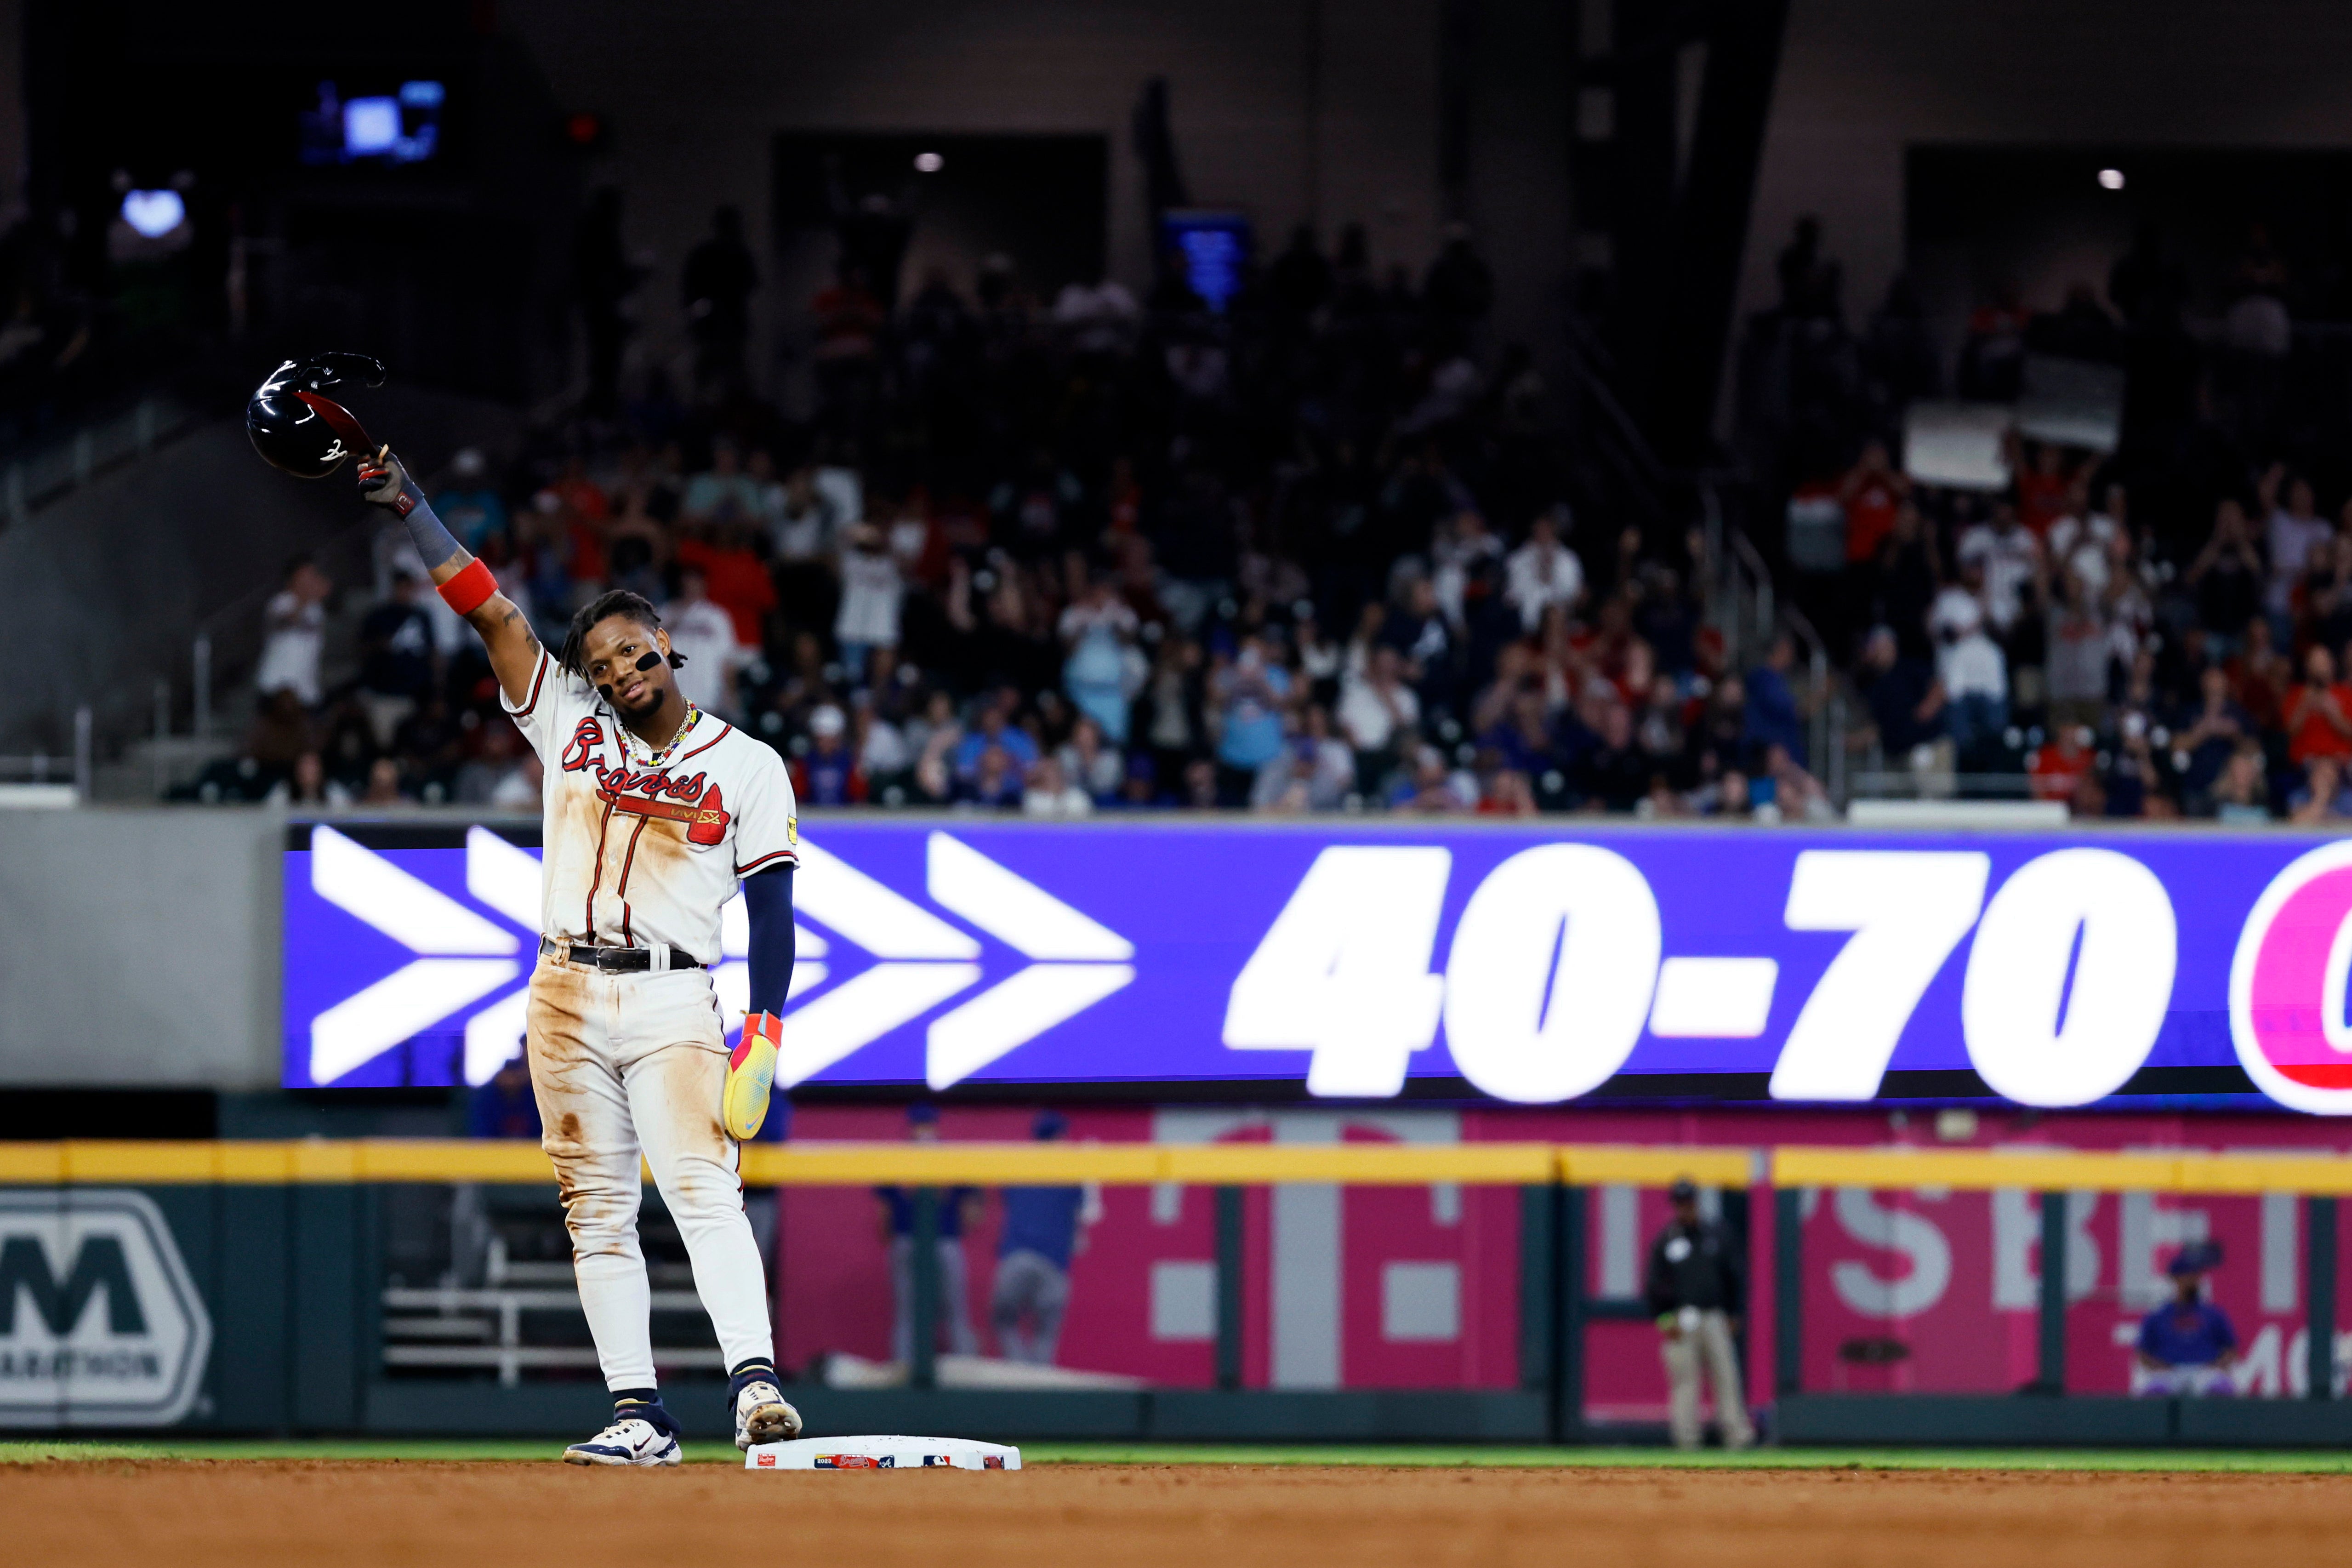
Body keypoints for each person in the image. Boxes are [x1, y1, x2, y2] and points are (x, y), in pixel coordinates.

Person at [354, 435, 803, 1465]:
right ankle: (639, 1413)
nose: (620, 672)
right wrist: (415, 508)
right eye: (601, 663)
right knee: (594, 1208)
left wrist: (766, 1029)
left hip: (672, 995)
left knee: (701, 1188)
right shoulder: (568, 719)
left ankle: (756, 1389)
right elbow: (492, 613)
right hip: (562, 988)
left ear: (668, 649)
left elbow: (772, 907)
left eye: (635, 653)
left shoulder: (746, 765)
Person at [1644, 1177, 1754, 1451]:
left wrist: (1734, 1313)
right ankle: (1687, 1440)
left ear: (1697, 1202)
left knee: (1726, 1376)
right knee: (1684, 1382)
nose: (1685, 1208)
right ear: (1674, 1205)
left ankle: (1736, 1436)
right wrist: (1665, 1320)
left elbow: (1734, 1277)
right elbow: (1653, 1286)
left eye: (1689, 1202)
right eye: (1680, 1203)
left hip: (1714, 1316)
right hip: (1681, 1319)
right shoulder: (1666, 1241)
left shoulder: (1716, 1235)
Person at [989, 1110, 1099, 1366]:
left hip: (1017, 1256)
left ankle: (1020, 1369)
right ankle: (1038, 1377)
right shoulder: (1071, 1173)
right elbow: (1082, 1213)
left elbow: (1006, 1197)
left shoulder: (1018, 1167)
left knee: (1004, 1320)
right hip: (1053, 1261)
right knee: (1047, 1329)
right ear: (1060, 1136)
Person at [875, 1104, 981, 1366]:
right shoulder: (951, 1158)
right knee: (953, 1314)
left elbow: (884, 1217)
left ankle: (905, 1370)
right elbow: (971, 1213)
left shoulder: (897, 1158)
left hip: (909, 1241)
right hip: (940, 1241)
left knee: (910, 1316)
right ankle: (965, 1372)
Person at [2136, 1243, 2238, 1397]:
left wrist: (2217, 1366)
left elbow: (2231, 1349)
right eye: (2189, 1275)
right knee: (2155, 1390)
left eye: (2197, 1276)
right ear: (2176, 1279)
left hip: (2205, 1372)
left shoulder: (2213, 1314)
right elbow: (2143, 1353)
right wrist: (2158, 1367)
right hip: (2170, 1372)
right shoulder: (2159, 1316)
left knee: (2222, 1388)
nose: (2194, 1280)